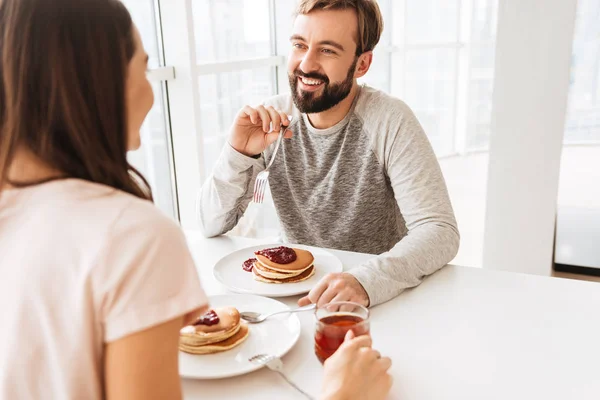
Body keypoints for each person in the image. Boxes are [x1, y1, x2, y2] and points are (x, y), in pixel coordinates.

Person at [0, 0, 391, 399]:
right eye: (145, 66)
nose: (152, 91)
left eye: (327, 48)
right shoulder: (132, 238)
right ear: (98, 82)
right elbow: (209, 222)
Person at [198, 0, 460, 308]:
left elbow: (440, 231)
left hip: (373, 300)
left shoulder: (389, 120)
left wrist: (365, 281)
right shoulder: (271, 120)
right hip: (292, 298)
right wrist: (237, 152)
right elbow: (211, 223)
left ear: (362, 64)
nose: (306, 65)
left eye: (327, 50)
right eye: (299, 45)